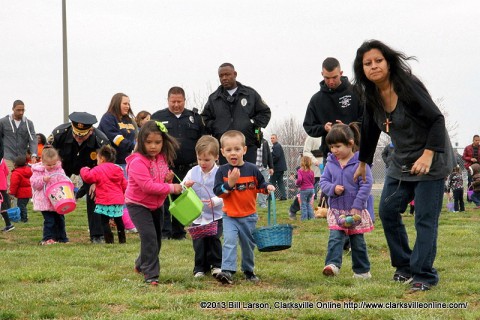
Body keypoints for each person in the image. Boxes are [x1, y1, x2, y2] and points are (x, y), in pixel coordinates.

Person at [352, 40, 455, 292]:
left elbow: (436, 120)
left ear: (388, 62)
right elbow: (369, 128)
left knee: (424, 218)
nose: (374, 66)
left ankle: (424, 275)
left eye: (378, 60)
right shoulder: (371, 96)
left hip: (431, 157)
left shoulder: (407, 86)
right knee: (387, 209)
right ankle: (405, 266)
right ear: (362, 69)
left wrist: (428, 155)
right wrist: (363, 162)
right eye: (368, 63)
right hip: (402, 161)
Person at [213, 130, 275, 284]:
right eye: (228, 150)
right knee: (229, 241)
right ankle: (227, 271)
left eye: (237, 149)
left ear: (244, 150)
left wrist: (267, 187)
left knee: (248, 245)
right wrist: (230, 183)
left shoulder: (252, 169)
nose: (233, 153)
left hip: (249, 216)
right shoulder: (221, 171)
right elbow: (218, 192)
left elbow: (261, 185)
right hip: (230, 216)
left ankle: (248, 270)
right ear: (222, 152)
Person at [125, 120, 183, 286]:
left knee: (156, 240)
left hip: (157, 204)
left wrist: (166, 179)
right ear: (141, 142)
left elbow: (158, 179)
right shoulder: (137, 162)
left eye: (157, 142)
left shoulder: (162, 158)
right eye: (148, 142)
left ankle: (139, 264)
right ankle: (151, 275)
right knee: (149, 238)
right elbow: (147, 186)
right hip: (138, 205)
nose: (153, 146)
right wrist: (171, 187)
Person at [320, 123, 374, 279]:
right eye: (331, 147)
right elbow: (323, 181)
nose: (334, 150)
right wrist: (332, 188)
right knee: (335, 238)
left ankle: (362, 271)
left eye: (338, 146)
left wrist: (358, 205)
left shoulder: (360, 163)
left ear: (350, 143)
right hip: (337, 210)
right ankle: (332, 265)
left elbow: (366, 185)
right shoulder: (330, 164)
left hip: (355, 212)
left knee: (357, 242)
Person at [151, 86, 205, 240]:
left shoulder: (195, 118)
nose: (176, 105)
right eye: (173, 101)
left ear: (184, 100)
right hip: (166, 167)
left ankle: (179, 232)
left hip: (188, 167)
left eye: (179, 101)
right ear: (168, 100)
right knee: (165, 200)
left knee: (182, 199)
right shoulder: (158, 117)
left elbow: (203, 141)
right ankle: (165, 232)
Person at [50, 112, 110, 243]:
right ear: (72, 127)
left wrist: (95, 182)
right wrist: (55, 170)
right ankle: (56, 234)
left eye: (82, 135)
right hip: (63, 165)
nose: (78, 138)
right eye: (76, 134)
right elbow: (47, 153)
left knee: (94, 194)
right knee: (55, 195)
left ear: (91, 131)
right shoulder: (59, 133)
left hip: (91, 169)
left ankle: (97, 235)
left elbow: (105, 166)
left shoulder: (101, 141)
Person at [202, 63, 271, 164]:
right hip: (225, 150)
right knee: (227, 178)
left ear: (235, 74)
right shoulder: (214, 98)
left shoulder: (250, 94)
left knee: (247, 176)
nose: (224, 78)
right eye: (221, 76)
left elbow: (265, 112)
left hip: (247, 147)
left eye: (227, 74)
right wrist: (216, 126)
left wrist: (251, 123)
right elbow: (204, 118)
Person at [303, 57, 363, 164]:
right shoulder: (316, 99)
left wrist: (348, 128)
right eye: (327, 78)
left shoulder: (356, 92)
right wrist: (323, 128)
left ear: (341, 73)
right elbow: (308, 126)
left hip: (356, 153)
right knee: (330, 181)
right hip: (330, 155)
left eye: (334, 77)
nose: (331, 81)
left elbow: (367, 119)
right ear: (322, 74)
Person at [182, 136, 223, 278]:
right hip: (197, 215)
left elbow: (226, 192)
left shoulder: (220, 173)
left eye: (207, 160)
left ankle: (216, 265)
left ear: (216, 157)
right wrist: (185, 186)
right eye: (200, 159)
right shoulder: (193, 171)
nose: (202, 163)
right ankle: (199, 267)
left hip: (215, 215)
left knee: (214, 239)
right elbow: (182, 187)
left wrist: (215, 201)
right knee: (198, 242)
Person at [80, 145, 128, 244]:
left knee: (104, 221)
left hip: (104, 201)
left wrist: (83, 169)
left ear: (101, 159)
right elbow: (124, 184)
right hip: (118, 201)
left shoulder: (98, 169)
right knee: (119, 220)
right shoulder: (119, 169)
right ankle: (122, 239)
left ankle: (109, 240)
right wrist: (124, 194)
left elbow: (88, 177)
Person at [30, 148, 69, 245]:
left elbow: (64, 180)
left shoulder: (59, 169)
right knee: (49, 220)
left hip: (58, 200)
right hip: (45, 201)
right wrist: (43, 180)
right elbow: (34, 184)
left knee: (60, 219)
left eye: (53, 164)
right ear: (42, 161)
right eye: (49, 165)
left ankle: (62, 238)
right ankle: (47, 238)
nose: (52, 167)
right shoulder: (38, 171)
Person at [98, 93, 137, 169]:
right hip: (112, 163)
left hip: (127, 162)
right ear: (117, 103)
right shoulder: (108, 118)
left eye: (128, 104)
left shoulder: (129, 120)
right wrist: (134, 147)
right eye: (125, 104)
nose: (127, 106)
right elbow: (116, 138)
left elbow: (135, 137)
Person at [0, 100, 38, 177]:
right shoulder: (3, 122)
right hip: (7, 157)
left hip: (21, 160)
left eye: (23, 110)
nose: (21, 112)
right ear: (13, 109)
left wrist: (34, 154)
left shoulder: (29, 123)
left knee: (20, 181)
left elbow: (32, 139)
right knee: (9, 181)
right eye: (18, 110)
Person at [9, 156, 32, 222]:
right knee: (23, 206)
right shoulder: (28, 170)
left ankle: (24, 219)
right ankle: (23, 217)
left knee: (21, 206)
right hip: (28, 192)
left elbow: (14, 184)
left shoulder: (16, 173)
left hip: (21, 193)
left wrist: (12, 193)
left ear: (15, 164)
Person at [256, 138, 273, 208]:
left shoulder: (265, 142)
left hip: (262, 167)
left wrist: (271, 167)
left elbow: (269, 154)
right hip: (252, 167)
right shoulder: (250, 140)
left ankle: (262, 203)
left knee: (264, 184)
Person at [296, 156, 315, 220]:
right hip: (311, 189)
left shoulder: (300, 171)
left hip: (304, 189)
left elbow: (299, 179)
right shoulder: (311, 171)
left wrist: (297, 184)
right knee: (309, 203)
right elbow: (313, 181)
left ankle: (304, 218)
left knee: (303, 204)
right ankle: (312, 217)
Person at [270, 134, 287, 200]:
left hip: (277, 168)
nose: (272, 139)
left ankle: (271, 196)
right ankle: (284, 196)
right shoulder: (277, 146)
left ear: (276, 139)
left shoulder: (276, 146)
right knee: (280, 182)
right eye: (271, 138)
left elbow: (276, 156)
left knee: (272, 181)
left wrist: (270, 162)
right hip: (281, 168)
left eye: (273, 138)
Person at [0, 158, 14, 232]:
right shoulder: (3, 161)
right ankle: (8, 224)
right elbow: (7, 172)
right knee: (2, 206)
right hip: (3, 186)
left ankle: (9, 224)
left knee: (2, 207)